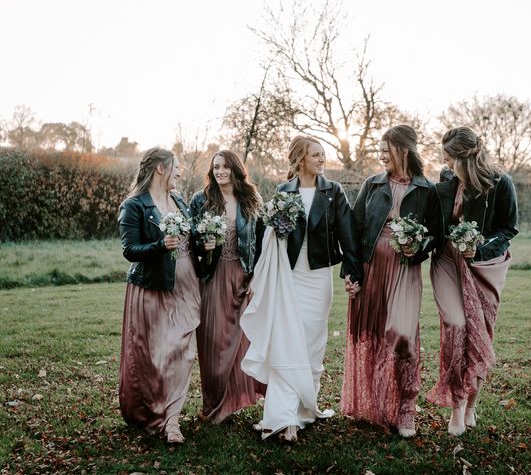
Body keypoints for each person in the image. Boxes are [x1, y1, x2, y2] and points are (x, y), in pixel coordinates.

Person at [241, 135, 362, 441]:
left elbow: (348, 236)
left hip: (318, 278)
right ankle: (285, 418)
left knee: (311, 344)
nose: (322, 159)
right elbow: (269, 234)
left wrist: (352, 272)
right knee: (286, 343)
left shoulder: (332, 191)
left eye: (323, 155)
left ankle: (304, 408)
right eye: (316, 155)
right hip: (290, 278)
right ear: (300, 160)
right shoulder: (284, 191)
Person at [341, 124, 442, 438]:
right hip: (372, 270)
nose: (381, 155)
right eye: (379, 150)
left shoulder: (427, 190)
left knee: (402, 336)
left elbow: (437, 233)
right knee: (372, 334)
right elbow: (354, 230)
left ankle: (406, 410)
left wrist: (419, 247)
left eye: (386, 150)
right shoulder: (373, 185)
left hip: (404, 271)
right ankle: (376, 404)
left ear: (404, 150)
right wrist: (351, 273)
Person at [427, 126, 518, 434]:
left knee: (480, 332)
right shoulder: (446, 178)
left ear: (464, 158)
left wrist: (479, 247)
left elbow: (508, 229)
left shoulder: (500, 183)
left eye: (448, 158)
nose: (445, 163)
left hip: (484, 266)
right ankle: (454, 409)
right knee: (455, 327)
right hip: (447, 262)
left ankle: (471, 405)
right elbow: (438, 221)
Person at [118, 147, 202, 444]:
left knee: (185, 351)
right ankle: (158, 414)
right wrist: (158, 246)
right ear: (160, 169)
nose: (180, 172)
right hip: (152, 287)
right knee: (158, 356)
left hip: (185, 284)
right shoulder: (135, 205)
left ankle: (174, 420)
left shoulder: (179, 200)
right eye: (176, 167)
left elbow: (190, 240)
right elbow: (130, 250)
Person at [189, 150, 264, 423]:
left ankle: (232, 401)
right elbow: (190, 239)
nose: (220, 171)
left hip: (242, 276)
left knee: (240, 340)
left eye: (224, 167)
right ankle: (213, 404)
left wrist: (256, 276)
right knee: (213, 340)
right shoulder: (201, 200)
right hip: (212, 276)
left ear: (235, 169)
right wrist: (202, 245)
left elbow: (259, 241)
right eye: (215, 167)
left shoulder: (250, 199)